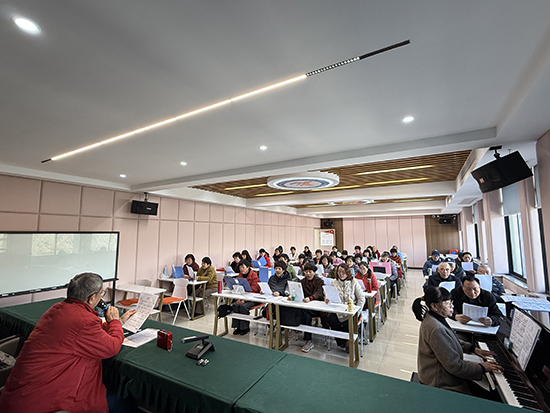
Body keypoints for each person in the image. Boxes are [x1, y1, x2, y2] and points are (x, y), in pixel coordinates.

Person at [0, 273, 137, 413]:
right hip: (43, 403)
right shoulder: (84, 321)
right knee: (123, 401)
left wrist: (118, 323)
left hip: (18, 396)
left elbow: (85, 333)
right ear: (91, 298)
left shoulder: (58, 309)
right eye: (101, 294)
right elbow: (112, 347)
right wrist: (114, 322)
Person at [412, 286, 502, 394]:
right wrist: (482, 368)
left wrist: (473, 349)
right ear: (434, 306)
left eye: (451, 302)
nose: (452, 306)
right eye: (448, 304)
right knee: (490, 397)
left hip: (443, 374)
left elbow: (449, 341)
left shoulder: (433, 317)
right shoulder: (436, 328)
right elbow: (454, 366)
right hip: (440, 382)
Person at [324, 264, 365, 352]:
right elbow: (330, 296)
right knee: (331, 320)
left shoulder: (354, 282)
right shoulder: (334, 282)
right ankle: (342, 341)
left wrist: (357, 311)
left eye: (343, 272)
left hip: (351, 310)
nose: (341, 274)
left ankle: (348, 341)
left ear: (347, 272)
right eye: (339, 272)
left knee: (348, 323)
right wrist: (328, 299)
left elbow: (361, 298)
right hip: (337, 310)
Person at [299, 262, 327, 353]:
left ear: (314, 272)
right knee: (305, 313)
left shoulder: (319, 281)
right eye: (306, 272)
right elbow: (298, 291)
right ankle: (308, 340)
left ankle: (307, 339)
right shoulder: (302, 282)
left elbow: (319, 293)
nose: (308, 274)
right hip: (306, 307)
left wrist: (311, 298)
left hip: (318, 308)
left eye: (310, 272)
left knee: (305, 313)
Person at [231, 260, 261, 335]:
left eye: (243, 267)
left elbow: (253, 290)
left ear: (248, 267)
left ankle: (245, 328)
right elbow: (237, 289)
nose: (241, 269)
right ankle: (237, 327)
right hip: (242, 298)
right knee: (235, 305)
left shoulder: (254, 276)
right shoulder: (240, 276)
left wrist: (244, 300)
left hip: (253, 299)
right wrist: (237, 299)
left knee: (243, 307)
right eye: (240, 268)